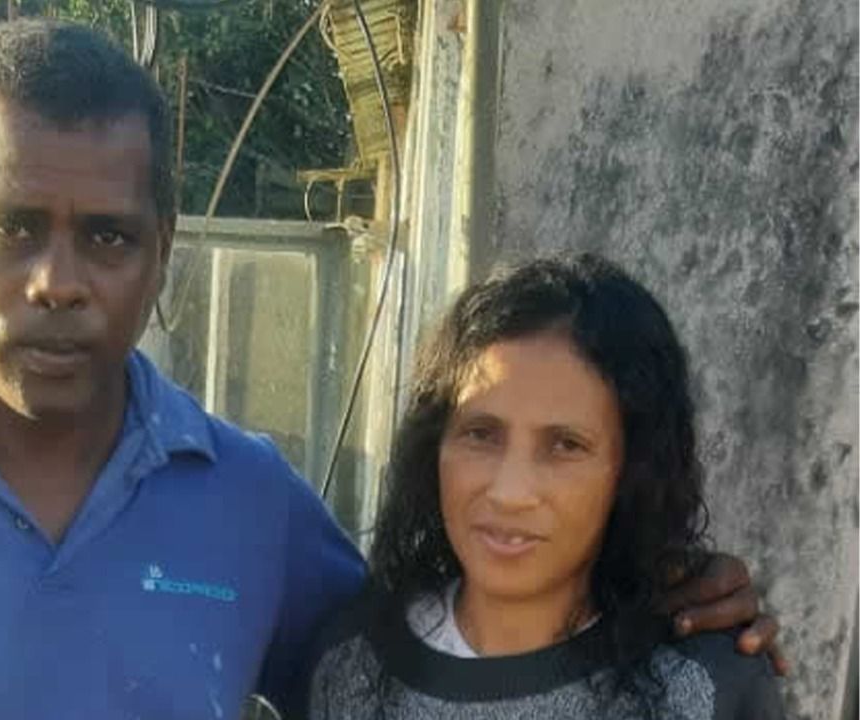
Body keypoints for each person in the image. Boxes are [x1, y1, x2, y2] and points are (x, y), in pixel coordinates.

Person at [0, 20, 778, 720]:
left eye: (107, 237)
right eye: (12, 229)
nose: (57, 282)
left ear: (161, 252)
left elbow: (429, 648)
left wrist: (662, 588)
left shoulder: (245, 502)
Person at [307, 255, 785, 719]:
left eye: (565, 445)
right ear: (433, 445)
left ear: (632, 469)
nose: (509, 492)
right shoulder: (351, 664)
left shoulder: (703, 684)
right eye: (481, 434)